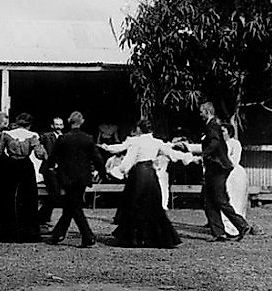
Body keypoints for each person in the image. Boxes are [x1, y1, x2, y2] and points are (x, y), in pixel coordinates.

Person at [108, 119, 195, 248]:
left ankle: (134, 239)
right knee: (153, 204)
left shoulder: (136, 142)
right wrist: (187, 157)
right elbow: (171, 153)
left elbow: (129, 160)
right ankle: (157, 238)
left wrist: (118, 170)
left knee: (135, 204)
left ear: (139, 129)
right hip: (150, 174)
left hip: (139, 174)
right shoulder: (156, 142)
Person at [185, 102, 252, 242]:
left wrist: (202, 155)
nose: (200, 114)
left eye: (201, 112)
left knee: (219, 199)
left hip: (218, 168)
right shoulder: (212, 126)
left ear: (207, 112)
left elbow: (214, 144)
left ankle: (241, 225)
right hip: (213, 168)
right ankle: (218, 232)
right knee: (209, 200)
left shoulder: (213, 126)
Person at [48, 112, 105, 248]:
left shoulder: (63, 139)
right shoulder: (88, 139)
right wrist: (102, 173)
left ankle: (87, 235)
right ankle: (59, 234)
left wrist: (50, 168)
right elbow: (97, 158)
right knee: (72, 205)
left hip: (67, 176)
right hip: (82, 177)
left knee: (73, 206)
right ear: (82, 121)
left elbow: (53, 156)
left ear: (69, 121)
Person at [0, 112, 45, 243]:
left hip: (10, 165)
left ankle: (5, 232)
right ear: (29, 125)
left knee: (7, 197)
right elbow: (39, 154)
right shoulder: (33, 135)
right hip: (25, 165)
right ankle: (28, 233)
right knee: (28, 197)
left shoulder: (7, 134)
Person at [221, 123, 250, 237]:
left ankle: (237, 227)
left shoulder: (235, 143)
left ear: (229, 132)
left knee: (236, 201)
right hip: (224, 174)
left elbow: (234, 160)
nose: (221, 133)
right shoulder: (219, 144)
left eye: (223, 131)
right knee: (226, 199)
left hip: (235, 174)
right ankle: (227, 227)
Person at [37, 117, 65, 226]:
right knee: (55, 193)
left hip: (60, 170)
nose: (58, 127)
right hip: (49, 169)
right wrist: (44, 154)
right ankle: (40, 217)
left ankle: (44, 217)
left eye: (60, 124)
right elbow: (38, 144)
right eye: (56, 124)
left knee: (56, 194)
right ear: (52, 126)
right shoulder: (47, 136)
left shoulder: (64, 137)